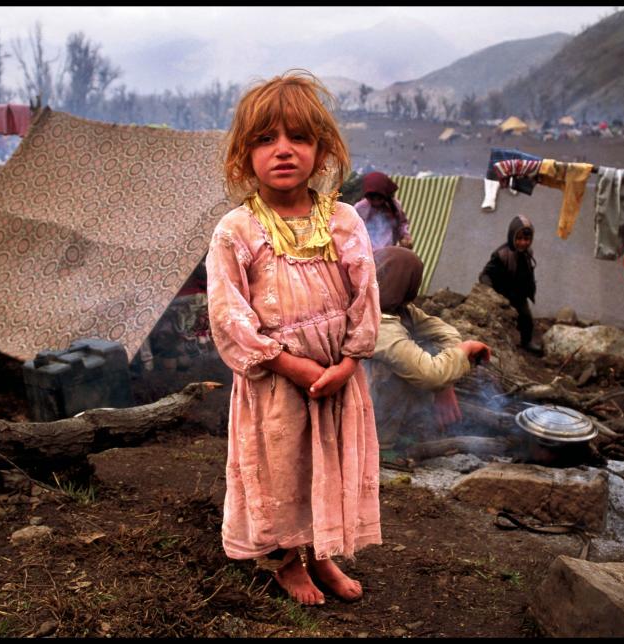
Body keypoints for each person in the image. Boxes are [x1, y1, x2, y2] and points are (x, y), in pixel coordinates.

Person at [205, 70, 381, 607]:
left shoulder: (345, 220)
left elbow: (365, 294)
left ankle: (321, 550)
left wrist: (349, 362)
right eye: (265, 139)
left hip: (335, 377)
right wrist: (292, 366)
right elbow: (229, 315)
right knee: (282, 472)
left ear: (322, 151)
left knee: (324, 465)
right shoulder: (237, 230)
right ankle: (285, 560)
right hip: (277, 383)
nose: (283, 151)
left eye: (299, 138)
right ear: (243, 155)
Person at [366, 246, 491, 453]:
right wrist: (464, 351)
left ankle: (400, 428)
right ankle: (379, 444)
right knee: (420, 365)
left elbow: (446, 334)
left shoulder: (401, 310)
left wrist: (445, 384)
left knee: (428, 349)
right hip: (364, 421)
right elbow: (430, 375)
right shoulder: (377, 323)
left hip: (377, 406)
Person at [479, 215, 541, 354]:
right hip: (502, 293)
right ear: (511, 237)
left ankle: (526, 342)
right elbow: (485, 274)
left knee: (526, 319)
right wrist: (490, 293)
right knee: (498, 322)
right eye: (519, 239)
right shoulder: (501, 255)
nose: (523, 243)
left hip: (518, 294)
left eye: (526, 239)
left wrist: (529, 290)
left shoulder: (527, 253)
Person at [353, 171, 412, 251]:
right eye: (372, 199)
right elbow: (352, 228)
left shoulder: (394, 206)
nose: (376, 202)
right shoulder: (360, 207)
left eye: (379, 199)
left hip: (388, 251)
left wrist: (405, 236)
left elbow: (401, 224)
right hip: (367, 252)